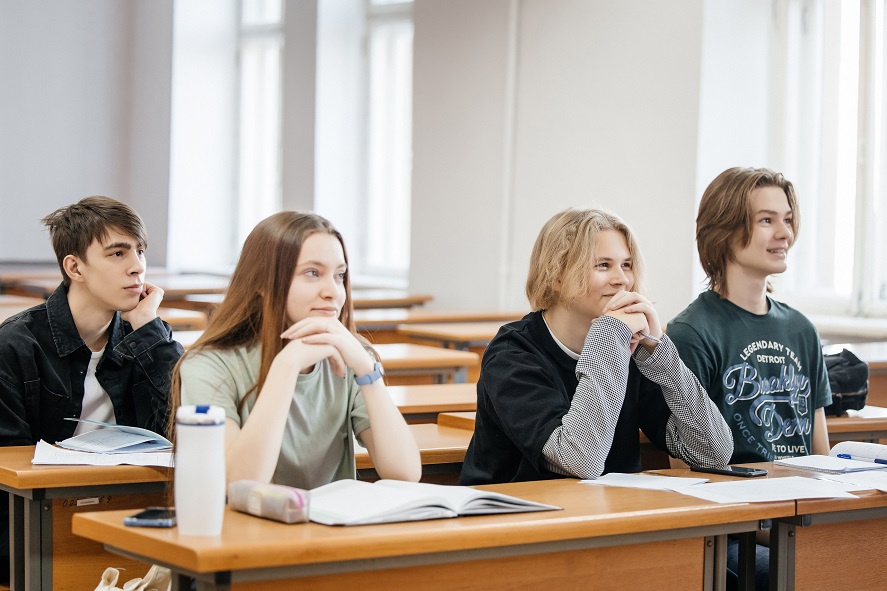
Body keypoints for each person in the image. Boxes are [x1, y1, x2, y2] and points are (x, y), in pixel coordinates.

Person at [460, 208, 733, 486]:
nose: (623, 280)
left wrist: (659, 352)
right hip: (518, 521)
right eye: (603, 265)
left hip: (611, 517)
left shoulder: (635, 349)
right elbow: (580, 460)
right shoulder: (512, 355)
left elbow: (714, 453)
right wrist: (608, 335)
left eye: (626, 265)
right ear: (556, 275)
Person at [0, 196, 183, 584]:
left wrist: (150, 331)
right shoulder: (16, 346)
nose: (137, 267)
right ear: (75, 267)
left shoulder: (149, 335)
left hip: (136, 517)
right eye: (117, 253)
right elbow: (7, 475)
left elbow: (191, 421)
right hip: (40, 528)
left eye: (140, 251)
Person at [668, 167, 832, 590]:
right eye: (766, 220)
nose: (784, 233)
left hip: (801, 516)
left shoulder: (801, 329)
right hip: (738, 529)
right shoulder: (691, 333)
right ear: (723, 230)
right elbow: (684, 474)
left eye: (788, 219)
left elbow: (820, 453)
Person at [171, 211, 421, 489]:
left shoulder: (352, 358)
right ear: (263, 283)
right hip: (247, 530)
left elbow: (405, 472)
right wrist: (287, 365)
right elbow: (240, 482)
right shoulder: (208, 365)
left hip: (332, 528)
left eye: (339, 275)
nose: (333, 292)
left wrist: (366, 369)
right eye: (312, 273)